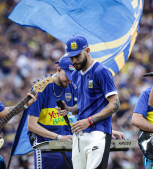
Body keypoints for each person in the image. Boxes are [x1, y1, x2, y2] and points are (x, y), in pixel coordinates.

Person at [57, 35, 121, 169]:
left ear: (87, 51)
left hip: (98, 133)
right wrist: (68, 109)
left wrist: (89, 121)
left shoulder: (101, 71)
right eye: (71, 57)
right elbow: (82, 106)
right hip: (80, 135)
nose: (74, 61)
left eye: (77, 56)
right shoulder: (75, 74)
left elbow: (115, 104)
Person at [26, 57, 76, 169]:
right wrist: (59, 137)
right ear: (58, 69)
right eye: (67, 76)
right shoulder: (40, 87)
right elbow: (31, 125)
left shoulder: (71, 87)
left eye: (72, 77)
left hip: (67, 143)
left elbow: (82, 112)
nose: (69, 80)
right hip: (45, 143)